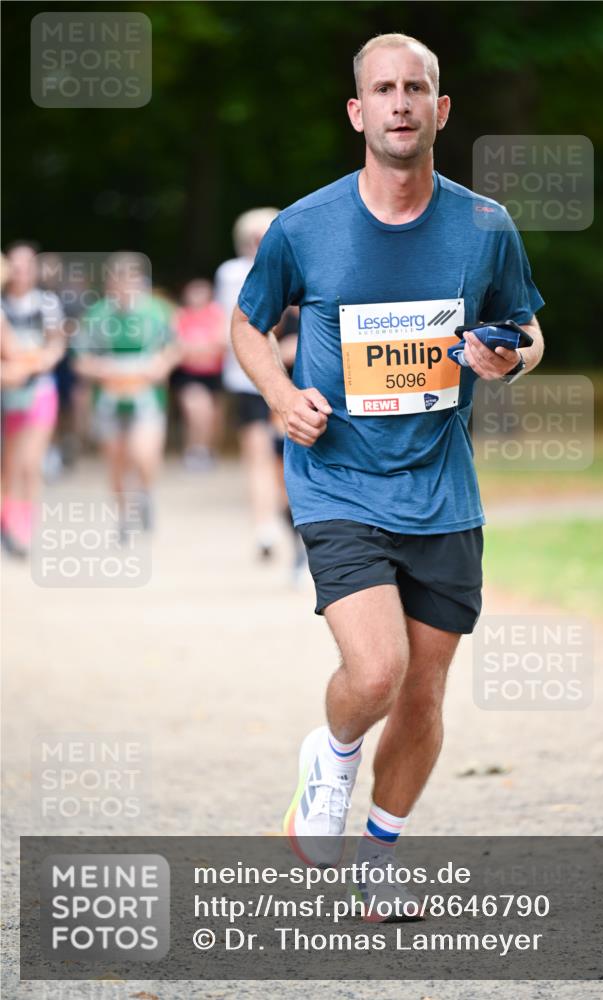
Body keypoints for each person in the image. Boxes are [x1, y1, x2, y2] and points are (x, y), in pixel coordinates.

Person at [231, 33, 544, 919]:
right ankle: (328, 763)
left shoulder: (483, 225)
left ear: (440, 111)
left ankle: (377, 851)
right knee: (375, 674)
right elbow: (249, 326)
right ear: (357, 111)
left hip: (442, 490)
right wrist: (280, 393)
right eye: (384, 89)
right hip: (337, 480)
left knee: (422, 693)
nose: (400, 102)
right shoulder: (304, 226)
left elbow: (524, 327)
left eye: (417, 88)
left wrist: (507, 362)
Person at [72, 252, 178, 536]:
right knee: (116, 460)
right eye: (117, 282)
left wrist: (160, 365)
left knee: (144, 454)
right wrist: (102, 370)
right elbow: (80, 359)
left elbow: (174, 348)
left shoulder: (157, 311)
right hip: (109, 399)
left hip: (146, 397)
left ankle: (145, 494)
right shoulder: (97, 315)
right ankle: (123, 516)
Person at [216, 209, 283, 560]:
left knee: (284, 458)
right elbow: (238, 325)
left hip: (290, 375)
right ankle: (264, 526)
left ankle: (287, 519)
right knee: (258, 454)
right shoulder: (232, 274)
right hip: (247, 379)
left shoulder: (291, 266)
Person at [1, 243, 65, 556]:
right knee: (8, 466)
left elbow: (56, 346)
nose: (20, 271)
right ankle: (8, 525)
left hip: (38, 390)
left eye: (27, 265)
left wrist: (37, 363)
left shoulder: (47, 304)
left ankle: (24, 530)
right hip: (6, 393)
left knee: (29, 463)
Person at [170, 278, 226, 470]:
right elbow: (176, 346)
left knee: (211, 418)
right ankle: (196, 451)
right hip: (188, 375)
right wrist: (202, 349)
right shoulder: (180, 315)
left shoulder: (217, 313)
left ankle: (205, 450)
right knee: (198, 411)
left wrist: (194, 349)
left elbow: (221, 343)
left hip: (212, 375)